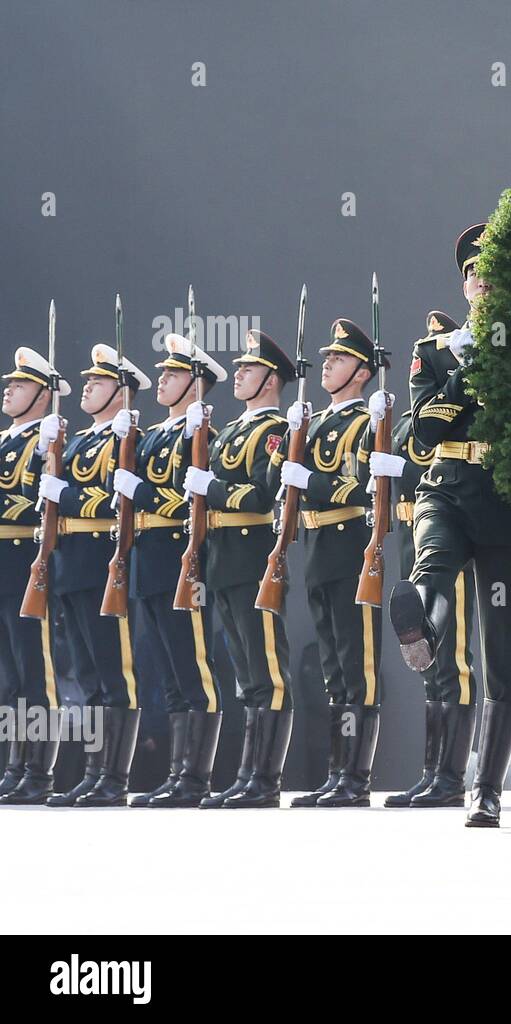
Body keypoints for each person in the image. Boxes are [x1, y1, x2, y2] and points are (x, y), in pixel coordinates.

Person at [389, 223, 511, 827]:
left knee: (501, 653)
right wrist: (464, 367)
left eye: (489, 269)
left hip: (503, 501)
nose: (479, 278)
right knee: (430, 569)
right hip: (445, 489)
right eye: (471, 272)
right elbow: (425, 430)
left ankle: (487, 789)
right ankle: (416, 622)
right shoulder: (435, 350)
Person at [181, 331, 295, 808]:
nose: (240, 374)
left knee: (267, 670)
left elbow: (264, 495)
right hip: (223, 558)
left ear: (271, 381)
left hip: (251, 558)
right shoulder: (228, 431)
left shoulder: (273, 430)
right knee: (245, 674)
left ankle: (265, 780)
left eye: (250, 369)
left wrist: (215, 489)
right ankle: (248, 774)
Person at [114, 335, 226, 807]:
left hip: (183, 560)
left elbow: (185, 500)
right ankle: (179, 774)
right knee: (168, 674)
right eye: (162, 373)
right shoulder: (158, 434)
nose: (161, 380)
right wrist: (122, 443)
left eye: (173, 374)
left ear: (196, 384)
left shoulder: (201, 435)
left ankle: (195, 777)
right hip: (148, 561)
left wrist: (139, 489)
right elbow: (119, 483)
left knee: (192, 667)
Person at [280, 318, 386, 808]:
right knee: (332, 671)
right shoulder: (316, 423)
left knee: (356, 664)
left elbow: (359, 486)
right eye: (326, 358)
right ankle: (336, 771)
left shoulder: (368, 422)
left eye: (339, 359)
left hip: (349, 549)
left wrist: (310, 481)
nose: (327, 364)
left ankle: (355, 778)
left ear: (362, 372)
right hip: (318, 550)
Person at [39, 344, 150, 807]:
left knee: (111, 672)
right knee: (84, 676)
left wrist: (63, 496)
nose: (87, 386)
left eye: (99, 382)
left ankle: (113, 777)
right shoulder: (83, 439)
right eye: (87, 380)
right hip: (69, 563)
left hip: (103, 562)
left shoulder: (127, 440)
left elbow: (113, 503)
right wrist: (48, 456)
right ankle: (92, 771)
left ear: (120, 393)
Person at [384, 309, 479, 809]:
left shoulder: (461, 403)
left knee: (454, 657)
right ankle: (431, 772)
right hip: (413, 531)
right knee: (429, 662)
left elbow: (436, 444)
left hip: (448, 528)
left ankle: (450, 776)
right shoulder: (409, 416)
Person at [0, 347, 67, 804]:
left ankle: (38, 771)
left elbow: (39, 502)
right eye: (10, 383)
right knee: (10, 674)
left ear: (43, 395)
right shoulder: (7, 439)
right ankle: (15, 764)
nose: (9, 389)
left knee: (35, 671)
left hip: (27, 559)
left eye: (20, 385)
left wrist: (46, 450)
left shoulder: (44, 441)